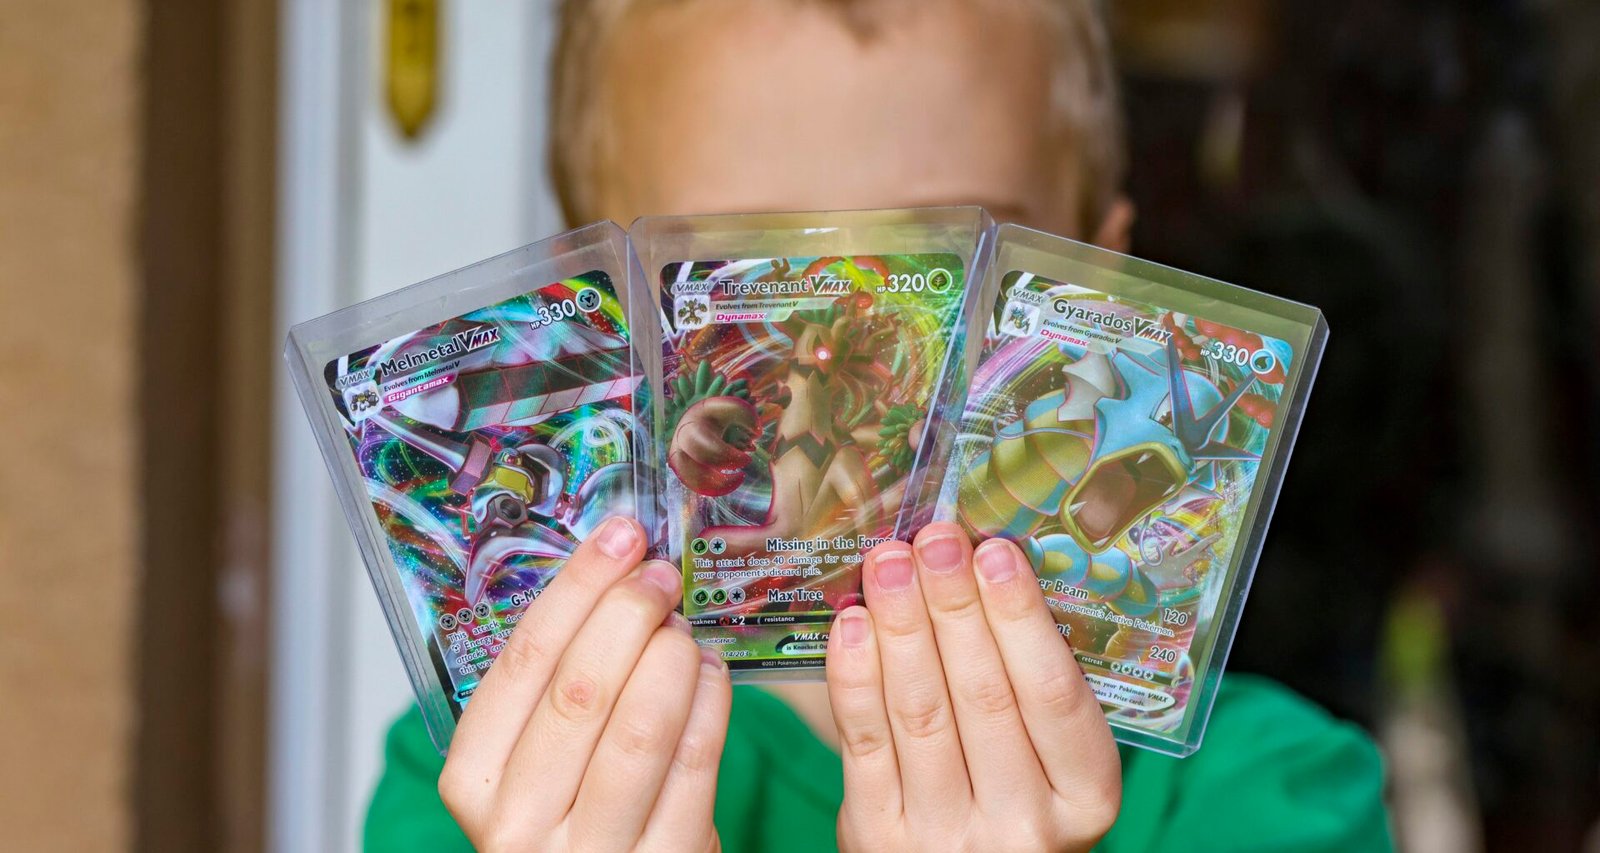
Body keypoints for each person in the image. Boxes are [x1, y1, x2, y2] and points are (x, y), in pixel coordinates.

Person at [366, 1, 1393, 849]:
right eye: (745, 278)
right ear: (598, 317)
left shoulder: (1273, 798)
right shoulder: (487, 786)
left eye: (937, 264)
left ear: (1101, 294)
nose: (843, 341)